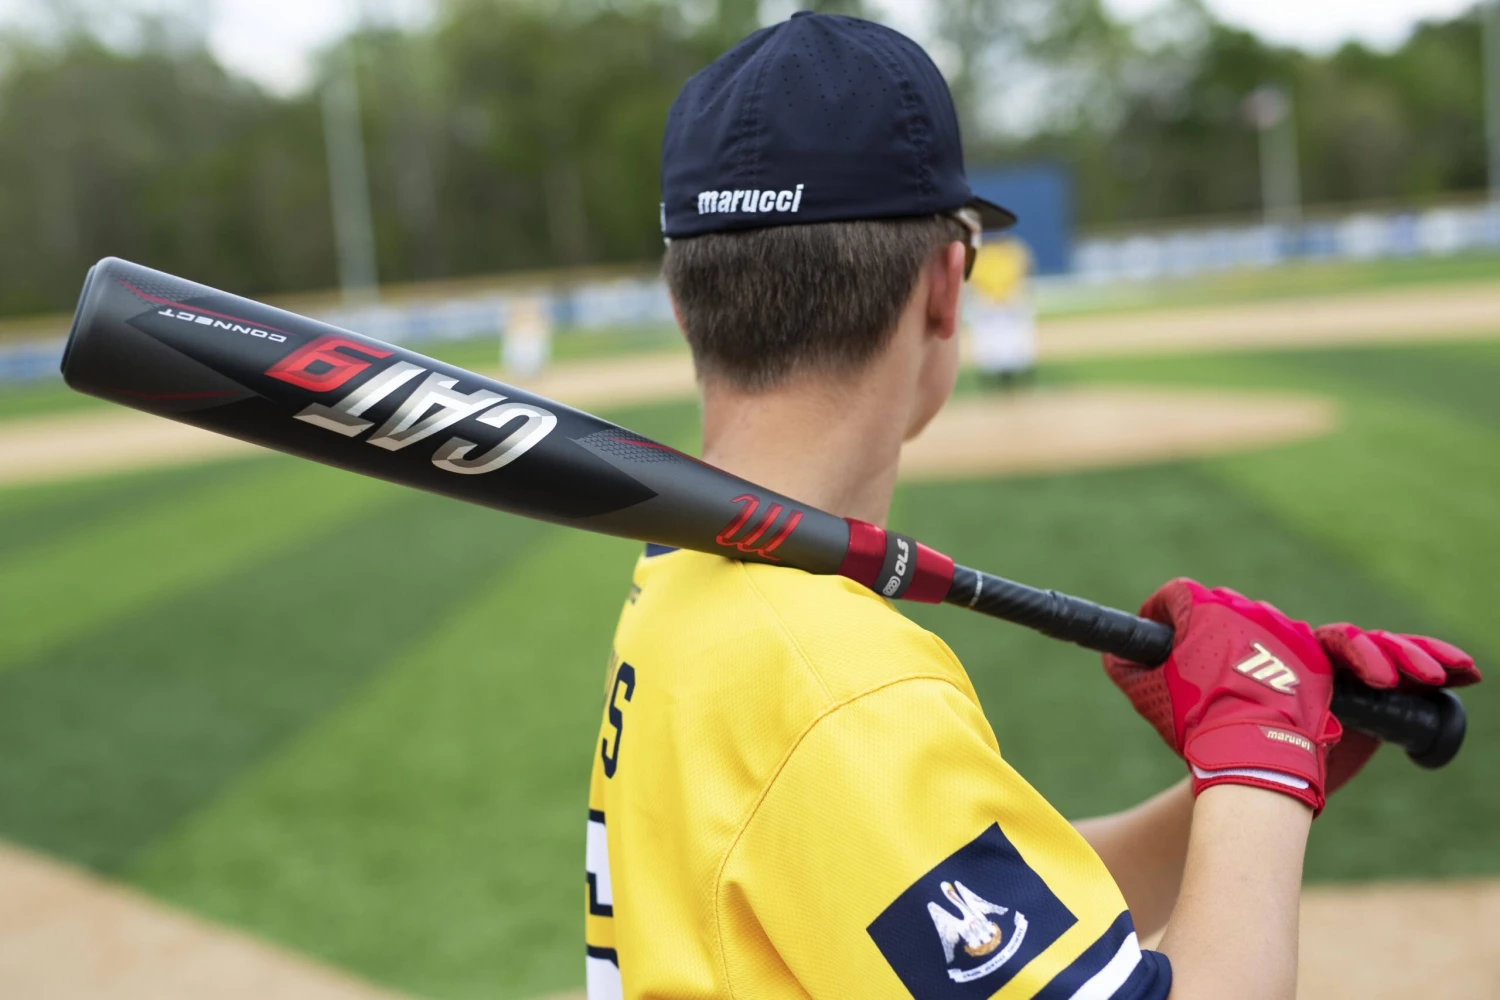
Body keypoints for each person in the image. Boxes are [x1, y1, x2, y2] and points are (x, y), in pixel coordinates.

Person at [583, 13, 1479, 1000]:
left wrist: (1256, 774)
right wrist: (1259, 762)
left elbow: (976, 920)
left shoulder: (684, 580)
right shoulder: (836, 686)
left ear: (681, 303)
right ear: (947, 286)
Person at [967, 237, 1038, 389]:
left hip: (1009, 300)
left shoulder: (1011, 252)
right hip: (990, 302)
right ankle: (995, 373)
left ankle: (1014, 371)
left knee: (1014, 338)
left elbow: (1022, 272)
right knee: (992, 340)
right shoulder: (987, 254)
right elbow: (976, 279)